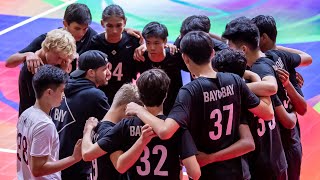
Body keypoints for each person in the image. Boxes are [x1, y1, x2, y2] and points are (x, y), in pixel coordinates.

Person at [125, 31, 274, 179]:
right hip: (238, 172)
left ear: (185, 58)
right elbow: (267, 114)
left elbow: (165, 131)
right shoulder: (234, 80)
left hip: (206, 172)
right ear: (212, 53)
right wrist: (254, 76)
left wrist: (139, 109)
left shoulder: (190, 91)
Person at [86, 69, 201, 180]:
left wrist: (88, 131)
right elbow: (195, 173)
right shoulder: (175, 128)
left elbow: (119, 166)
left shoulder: (125, 125)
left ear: (139, 96)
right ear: (166, 95)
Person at [222, 19, 294, 179]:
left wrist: (229, 89)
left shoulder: (260, 68)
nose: (228, 49)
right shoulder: (260, 64)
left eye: (230, 46)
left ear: (243, 49)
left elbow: (271, 87)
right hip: (274, 157)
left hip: (265, 161)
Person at [252, 15, 313, 180]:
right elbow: (307, 57)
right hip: (291, 142)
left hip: (280, 145)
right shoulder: (282, 57)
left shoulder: (262, 67)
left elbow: (293, 117)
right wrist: (276, 48)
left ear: (262, 38)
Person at [51, 50, 111, 180]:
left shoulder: (63, 85)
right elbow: (112, 128)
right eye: (104, 69)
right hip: (77, 166)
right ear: (91, 72)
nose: (109, 73)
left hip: (55, 161)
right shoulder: (95, 96)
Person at [17, 65, 82, 180]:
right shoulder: (44, 125)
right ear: (49, 93)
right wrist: (74, 158)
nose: (64, 95)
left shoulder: (25, 114)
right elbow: (38, 169)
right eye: (61, 91)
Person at [5, 3, 95, 73]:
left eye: (85, 29)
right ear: (65, 24)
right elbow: (9, 63)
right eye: (77, 28)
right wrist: (27, 55)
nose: (81, 33)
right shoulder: (50, 40)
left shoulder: (91, 36)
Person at [81, 83, 141, 180]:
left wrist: (87, 131)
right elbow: (120, 165)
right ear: (127, 108)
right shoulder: (112, 132)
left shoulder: (95, 126)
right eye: (135, 113)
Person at [87, 4, 142, 105]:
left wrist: (145, 46)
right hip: (101, 95)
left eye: (118, 25)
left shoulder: (133, 41)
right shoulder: (95, 43)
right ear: (102, 23)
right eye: (109, 26)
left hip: (125, 96)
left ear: (125, 22)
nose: (114, 31)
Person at [18, 29, 77, 116]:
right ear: (47, 48)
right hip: (33, 119)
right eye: (58, 57)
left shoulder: (61, 64)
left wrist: (64, 71)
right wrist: (63, 74)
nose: (60, 61)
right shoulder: (32, 67)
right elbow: (45, 100)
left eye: (63, 58)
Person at [136, 21, 186, 115]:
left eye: (156, 43)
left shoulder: (174, 55)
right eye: (148, 43)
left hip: (174, 106)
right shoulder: (141, 57)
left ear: (165, 41)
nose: (152, 47)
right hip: (149, 108)